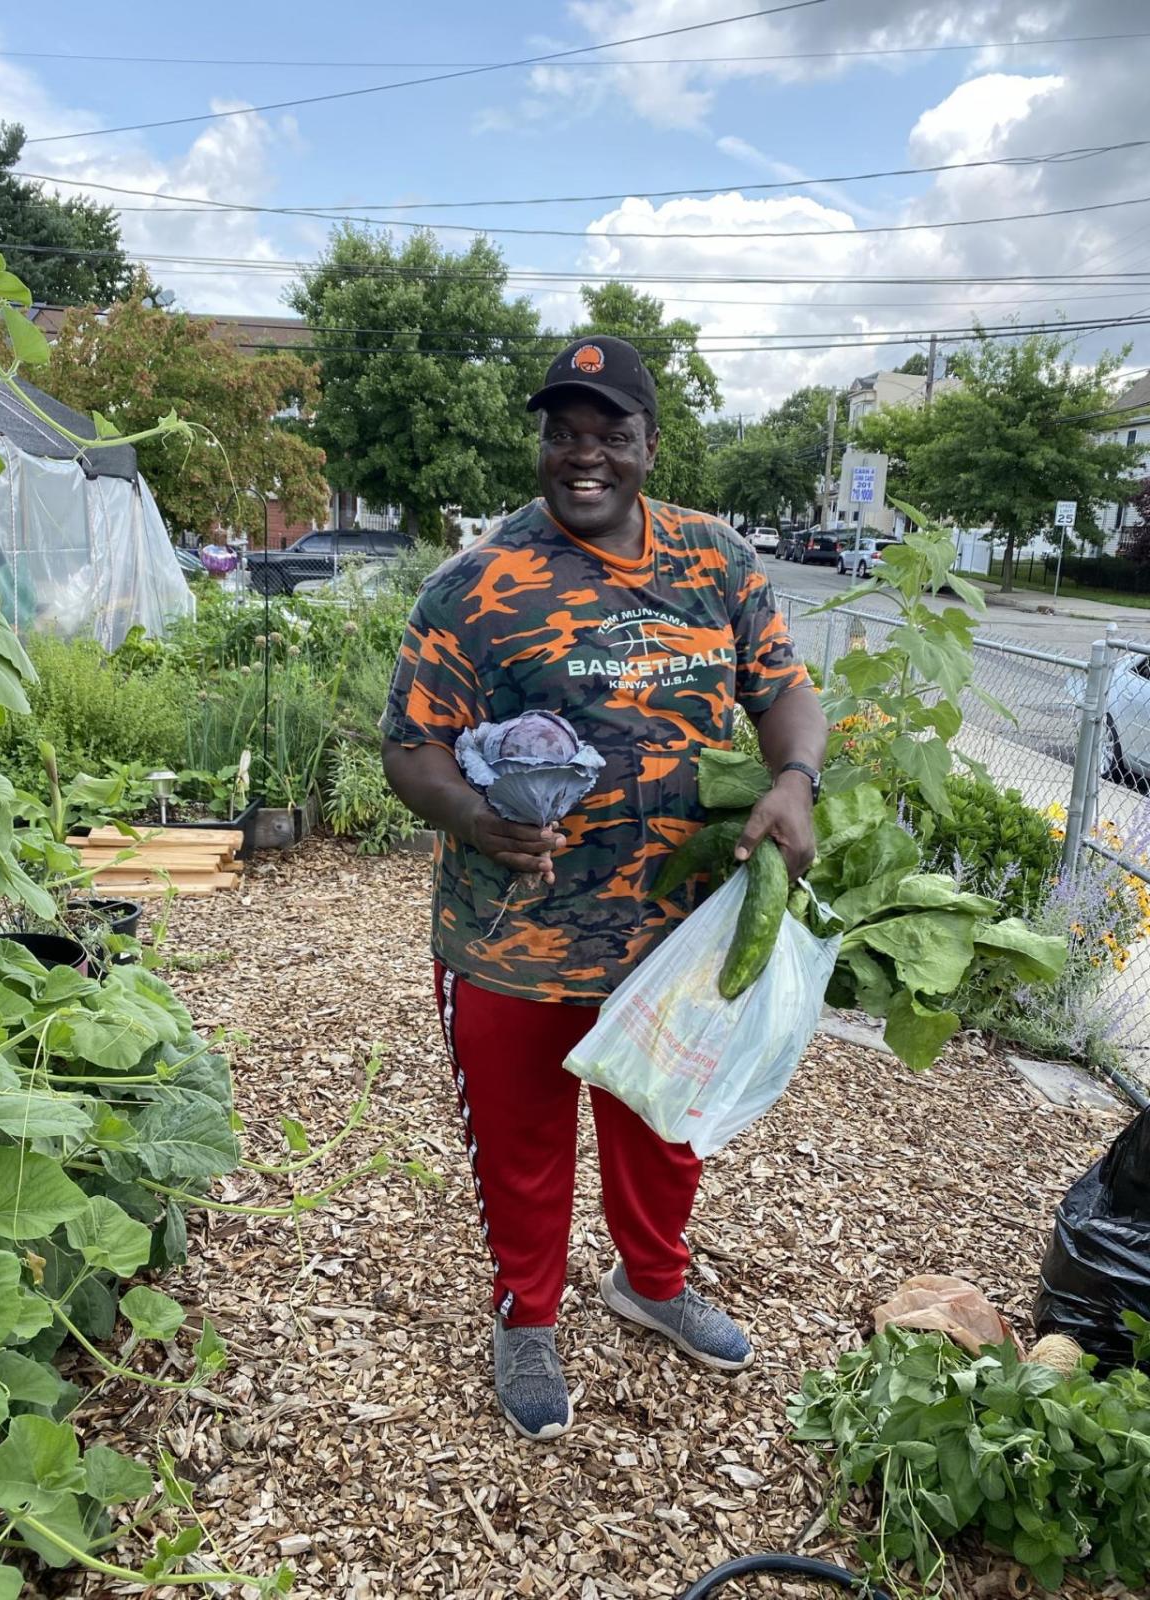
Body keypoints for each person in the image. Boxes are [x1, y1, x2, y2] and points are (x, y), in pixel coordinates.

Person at [381, 336, 827, 1442]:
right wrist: (471, 815)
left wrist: (794, 782)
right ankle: (527, 1317)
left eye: (609, 435)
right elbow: (408, 747)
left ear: (647, 446)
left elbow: (785, 690)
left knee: (663, 1126)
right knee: (521, 1141)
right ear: (543, 444)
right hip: (513, 936)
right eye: (563, 433)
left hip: (673, 936)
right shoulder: (475, 585)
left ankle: (653, 1284)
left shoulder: (716, 562)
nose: (584, 456)